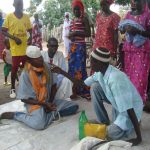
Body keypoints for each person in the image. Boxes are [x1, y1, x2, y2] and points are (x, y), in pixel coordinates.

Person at [51, 47, 143, 146]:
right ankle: (103, 121)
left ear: (101, 63)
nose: (90, 63)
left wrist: (139, 138)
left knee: (108, 134)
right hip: (119, 103)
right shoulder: (100, 73)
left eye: (92, 61)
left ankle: (135, 124)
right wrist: (62, 72)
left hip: (130, 110)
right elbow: (82, 84)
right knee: (94, 87)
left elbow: (129, 109)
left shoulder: (115, 79)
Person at [0, 46, 79, 130]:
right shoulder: (25, 74)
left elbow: (54, 86)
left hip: (47, 101)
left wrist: (50, 102)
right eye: (37, 59)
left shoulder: (47, 67)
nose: (41, 60)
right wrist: (44, 105)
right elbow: (24, 99)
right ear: (29, 60)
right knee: (39, 125)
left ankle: (46, 116)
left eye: (40, 57)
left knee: (74, 107)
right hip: (35, 104)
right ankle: (17, 115)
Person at [120, 0, 150, 106]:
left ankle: (138, 106)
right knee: (129, 78)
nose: (137, 3)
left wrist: (138, 31)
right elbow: (121, 30)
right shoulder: (128, 14)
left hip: (142, 52)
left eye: (140, 1)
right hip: (129, 51)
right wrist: (125, 29)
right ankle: (130, 105)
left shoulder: (148, 14)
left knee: (140, 79)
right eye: (135, 0)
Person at [2, 0, 32, 98]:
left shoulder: (26, 17)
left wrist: (30, 37)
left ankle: (25, 87)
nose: (20, 6)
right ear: (14, 5)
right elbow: (3, 31)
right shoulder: (9, 17)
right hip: (15, 49)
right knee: (14, 69)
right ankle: (12, 88)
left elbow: (30, 29)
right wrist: (15, 38)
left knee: (25, 68)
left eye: (22, 4)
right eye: (18, 4)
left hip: (25, 48)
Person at [68, 0, 91, 95]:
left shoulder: (84, 19)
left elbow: (88, 33)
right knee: (71, 67)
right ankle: (75, 90)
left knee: (80, 68)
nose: (76, 11)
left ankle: (84, 90)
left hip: (80, 46)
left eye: (78, 9)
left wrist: (76, 33)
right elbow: (70, 32)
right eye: (74, 9)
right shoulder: (72, 20)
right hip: (72, 46)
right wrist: (71, 35)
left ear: (81, 9)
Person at [93, 0, 120, 65]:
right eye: (101, 5)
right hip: (97, 46)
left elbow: (116, 35)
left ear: (109, 4)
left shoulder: (115, 17)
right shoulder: (98, 16)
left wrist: (115, 51)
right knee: (96, 66)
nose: (102, 7)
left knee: (107, 67)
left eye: (104, 5)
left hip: (108, 48)